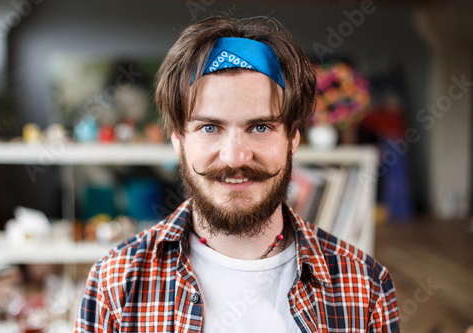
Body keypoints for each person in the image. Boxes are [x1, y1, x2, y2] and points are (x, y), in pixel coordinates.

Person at [74, 15, 400, 333]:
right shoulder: (115, 283)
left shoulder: (365, 287)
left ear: (293, 138)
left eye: (260, 127)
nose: (235, 157)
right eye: (210, 127)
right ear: (178, 140)